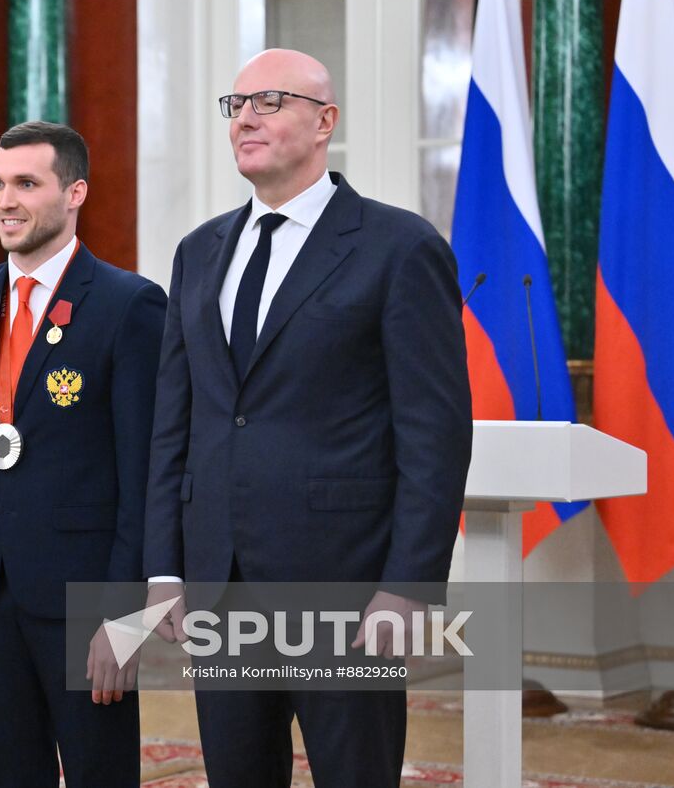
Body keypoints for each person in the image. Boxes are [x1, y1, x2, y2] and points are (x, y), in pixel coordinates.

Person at [143, 49, 472, 787]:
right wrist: (163, 566)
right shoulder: (199, 253)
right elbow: (176, 425)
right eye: (236, 106)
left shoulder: (399, 248)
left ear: (325, 122)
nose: (246, 119)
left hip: (345, 586)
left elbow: (435, 436)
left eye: (270, 102)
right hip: (219, 584)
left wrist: (411, 586)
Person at [0, 121, 166, 787]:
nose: (6, 200)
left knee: (99, 775)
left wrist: (125, 615)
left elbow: (145, 474)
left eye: (27, 183)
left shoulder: (129, 306)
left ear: (76, 192)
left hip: (88, 604)